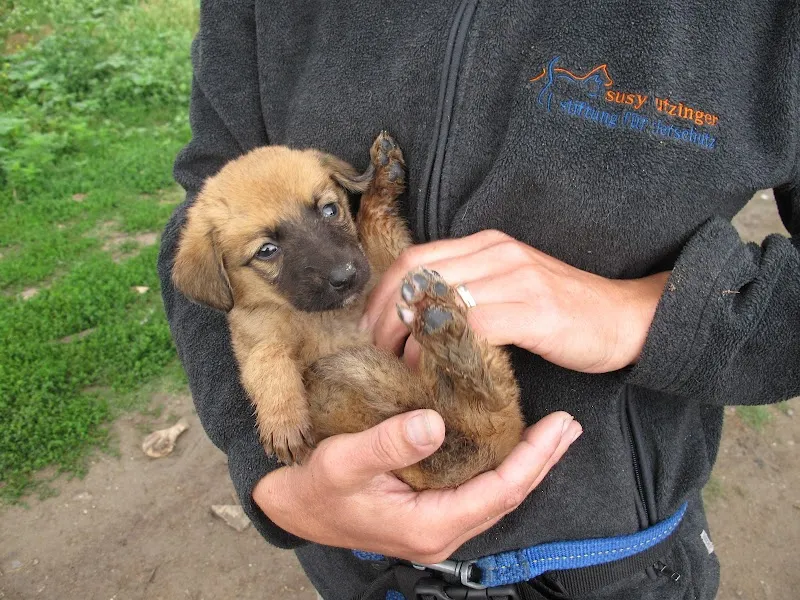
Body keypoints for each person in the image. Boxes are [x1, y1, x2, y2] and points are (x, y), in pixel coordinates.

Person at [157, 2, 800, 599]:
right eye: (271, 250)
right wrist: (273, 476)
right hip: (355, 563)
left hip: (613, 566)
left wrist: (658, 312)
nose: (332, 260)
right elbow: (205, 204)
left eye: (330, 210)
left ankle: (460, 366)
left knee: (459, 397)